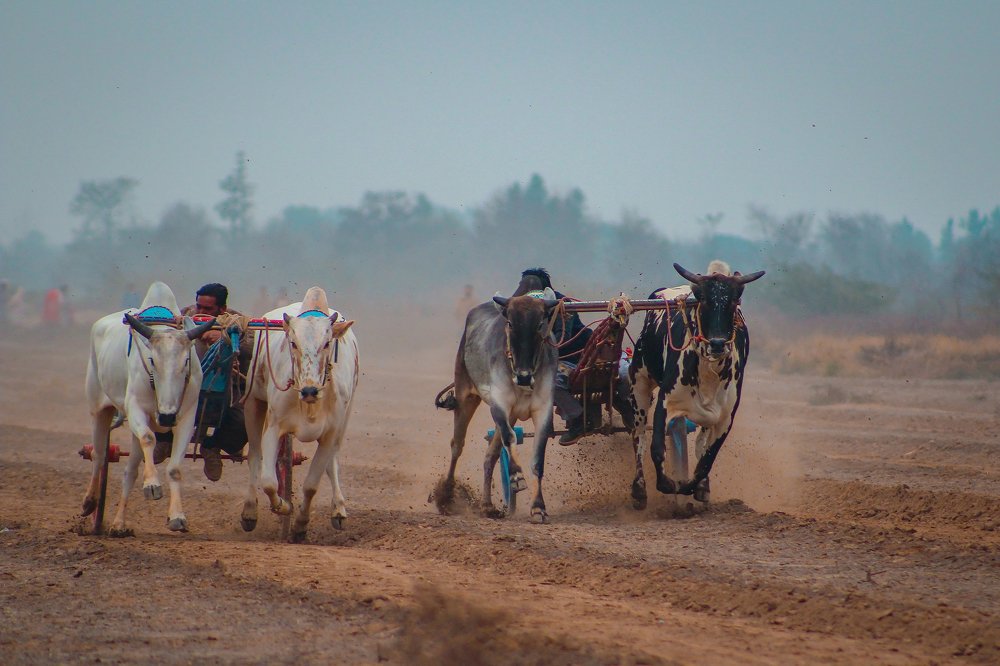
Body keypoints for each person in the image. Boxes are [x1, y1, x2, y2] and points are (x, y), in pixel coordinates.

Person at [157, 282, 251, 481]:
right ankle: (165, 439)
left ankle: (212, 447)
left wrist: (224, 337)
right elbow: (160, 336)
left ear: (222, 309)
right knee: (157, 400)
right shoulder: (182, 316)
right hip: (182, 386)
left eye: (208, 309)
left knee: (245, 422)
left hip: (225, 389)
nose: (201, 311)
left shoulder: (237, 321)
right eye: (199, 306)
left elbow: (252, 344)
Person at [514, 268, 594, 445]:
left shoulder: (561, 305)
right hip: (549, 361)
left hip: (574, 358)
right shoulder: (525, 308)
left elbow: (562, 339)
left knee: (551, 381)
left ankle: (580, 421)